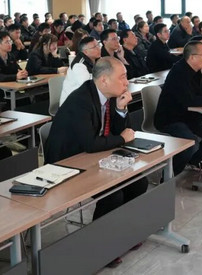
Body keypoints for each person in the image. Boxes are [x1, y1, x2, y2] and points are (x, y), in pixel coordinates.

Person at [45, 57, 147, 266]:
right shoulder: (81, 100)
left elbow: (121, 132)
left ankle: (121, 234)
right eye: (122, 77)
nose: (126, 82)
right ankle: (99, 247)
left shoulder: (108, 96)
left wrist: (121, 109)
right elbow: (91, 143)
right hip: (67, 164)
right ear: (104, 80)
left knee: (139, 182)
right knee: (113, 194)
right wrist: (121, 139)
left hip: (91, 156)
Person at [154, 41, 202, 174]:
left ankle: (192, 161)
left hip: (189, 117)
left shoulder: (199, 70)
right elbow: (188, 101)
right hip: (171, 119)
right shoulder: (179, 72)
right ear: (192, 57)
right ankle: (169, 177)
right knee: (190, 143)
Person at [60, 37, 102, 105]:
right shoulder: (79, 65)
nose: (99, 48)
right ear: (85, 52)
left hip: (85, 99)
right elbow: (88, 87)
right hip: (72, 104)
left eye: (98, 45)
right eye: (94, 47)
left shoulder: (98, 60)